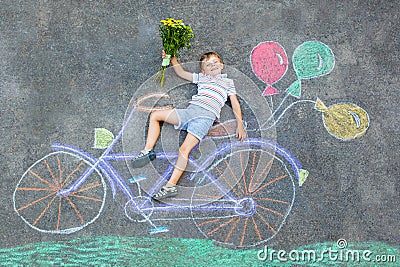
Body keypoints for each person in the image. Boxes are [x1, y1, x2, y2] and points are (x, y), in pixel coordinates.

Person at [132, 50, 247, 200]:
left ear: (222, 65)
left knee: (183, 150)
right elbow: (180, 72)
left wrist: (240, 124)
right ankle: (147, 151)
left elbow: (235, 104)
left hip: (204, 118)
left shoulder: (227, 83)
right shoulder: (202, 78)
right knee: (155, 115)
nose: (212, 65)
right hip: (189, 112)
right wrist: (171, 57)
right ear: (203, 71)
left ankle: (170, 186)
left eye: (215, 62)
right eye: (208, 64)